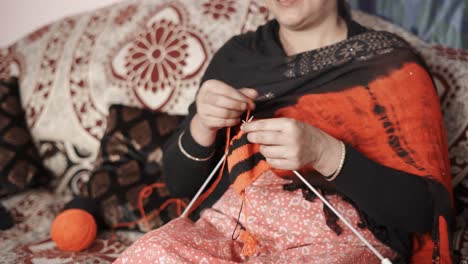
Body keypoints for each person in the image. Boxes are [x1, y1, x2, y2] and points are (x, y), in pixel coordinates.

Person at [115, 0, 453, 263]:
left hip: (334, 239)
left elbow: (423, 212)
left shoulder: (389, 64)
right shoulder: (237, 58)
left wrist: (326, 153)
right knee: (155, 249)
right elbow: (180, 186)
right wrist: (202, 125)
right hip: (231, 231)